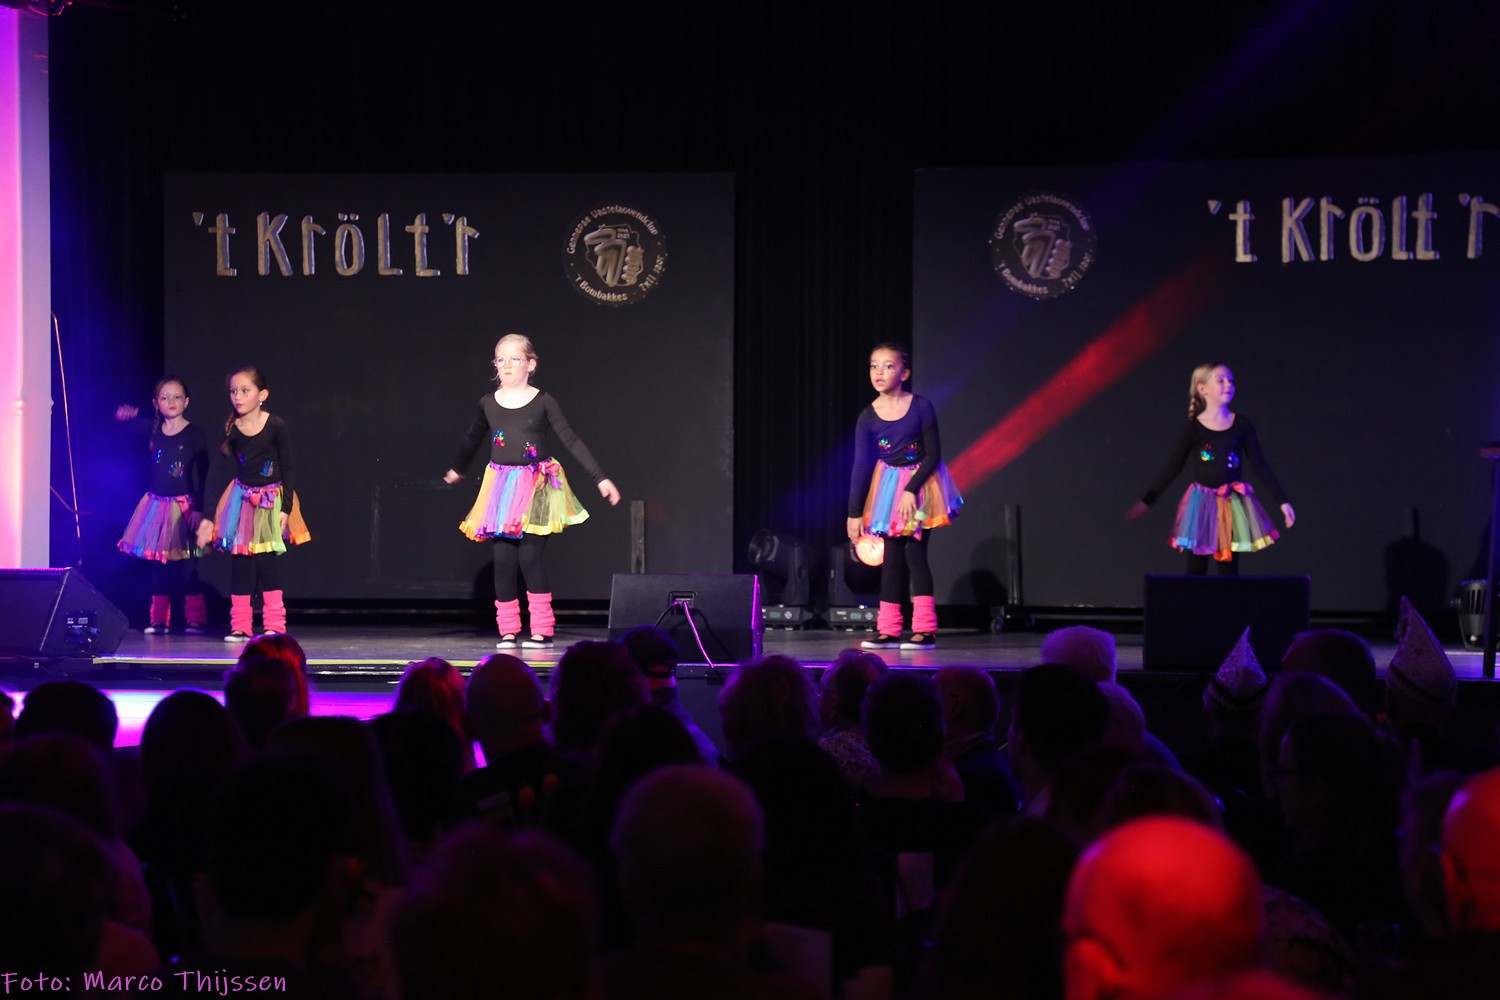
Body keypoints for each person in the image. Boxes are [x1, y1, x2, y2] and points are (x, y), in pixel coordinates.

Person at [444, 334, 619, 648]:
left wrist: (600, 478)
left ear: (531, 364)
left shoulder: (543, 401)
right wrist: (459, 467)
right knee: (503, 560)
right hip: (500, 487)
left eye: (515, 359)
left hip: (536, 485)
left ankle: (542, 629)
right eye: (501, 359)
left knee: (530, 557)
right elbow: (472, 438)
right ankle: (508, 629)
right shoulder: (488, 403)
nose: (507, 365)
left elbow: (570, 439)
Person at [845, 344, 963, 650]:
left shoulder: (921, 407)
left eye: (888, 366)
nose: (879, 372)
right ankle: (889, 630)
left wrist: (911, 489)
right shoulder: (868, 417)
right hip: (887, 491)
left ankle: (924, 629)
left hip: (922, 489)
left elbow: (933, 454)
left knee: (915, 553)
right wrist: (854, 513)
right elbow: (860, 466)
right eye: (874, 366)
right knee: (891, 558)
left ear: (904, 373)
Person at [1128, 363, 1294, 575]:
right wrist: (1147, 501)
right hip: (1201, 505)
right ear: (1202, 389)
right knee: (1196, 569)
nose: (1228, 385)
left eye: (1231, 380)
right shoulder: (1193, 429)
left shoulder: (1242, 425)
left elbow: (1259, 464)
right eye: (1221, 380)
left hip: (1231, 503)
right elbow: (1173, 466)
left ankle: (1226, 597)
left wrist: (1282, 501)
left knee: (1228, 568)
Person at [195, 366, 310, 641]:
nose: (237, 396)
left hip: (270, 500)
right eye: (233, 391)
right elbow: (216, 472)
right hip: (242, 500)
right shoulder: (231, 429)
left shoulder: (275, 426)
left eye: (245, 391)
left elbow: (287, 468)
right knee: (241, 563)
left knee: (265, 562)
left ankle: (274, 625)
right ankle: (240, 625)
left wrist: (286, 508)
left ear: (262, 395)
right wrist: (209, 516)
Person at [115, 375, 210, 634]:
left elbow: (205, 475)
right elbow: (126, 426)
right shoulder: (153, 430)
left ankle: (196, 618)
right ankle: (158, 619)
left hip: (183, 507)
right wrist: (124, 417)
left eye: (177, 397)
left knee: (187, 565)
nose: (171, 401)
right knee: (158, 564)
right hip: (156, 506)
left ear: (186, 401)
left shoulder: (194, 434)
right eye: (165, 397)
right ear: (156, 403)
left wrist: (200, 509)